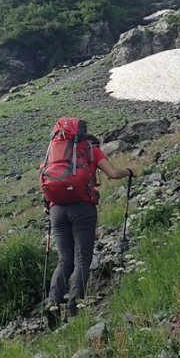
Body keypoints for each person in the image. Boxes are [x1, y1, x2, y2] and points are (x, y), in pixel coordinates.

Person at [46, 133, 134, 319]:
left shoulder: (55, 153)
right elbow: (113, 173)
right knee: (82, 258)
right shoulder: (92, 150)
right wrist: (130, 171)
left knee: (64, 260)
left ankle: (52, 302)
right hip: (82, 208)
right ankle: (74, 306)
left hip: (57, 210)